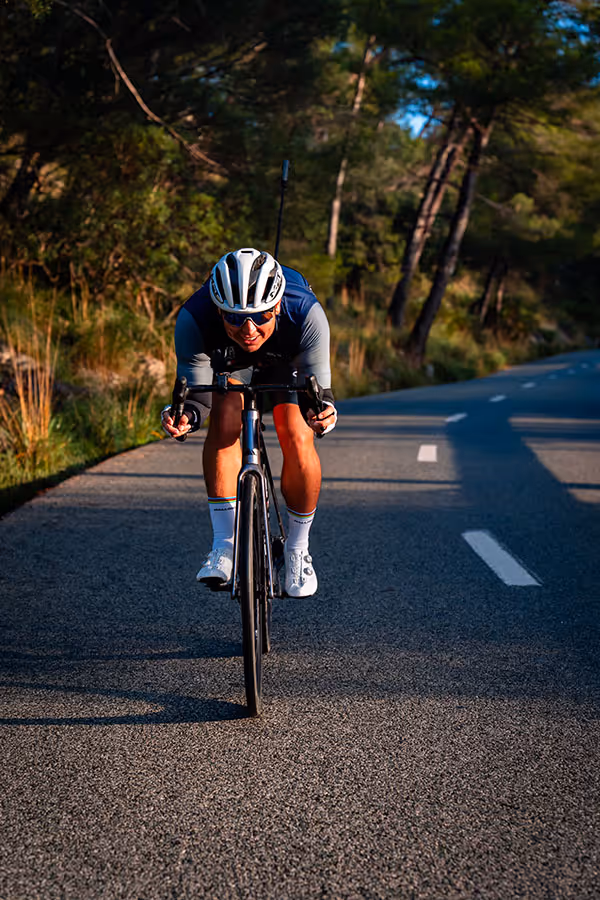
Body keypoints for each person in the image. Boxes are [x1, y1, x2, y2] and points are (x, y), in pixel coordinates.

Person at [161, 247, 337, 598]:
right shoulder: (195, 318)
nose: (249, 329)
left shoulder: (305, 313)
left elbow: (319, 395)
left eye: (259, 316)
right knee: (225, 420)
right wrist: (185, 416)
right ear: (218, 309)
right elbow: (197, 397)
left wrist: (322, 413)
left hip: (288, 360)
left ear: (276, 306)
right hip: (228, 362)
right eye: (235, 318)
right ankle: (225, 545)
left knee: (295, 432)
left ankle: (298, 550)